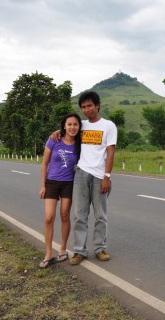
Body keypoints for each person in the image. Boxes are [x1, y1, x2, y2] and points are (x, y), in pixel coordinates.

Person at [53, 90, 117, 266]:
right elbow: (68, 128)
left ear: (97, 105)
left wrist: (107, 177)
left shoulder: (108, 126)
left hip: (99, 176)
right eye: (83, 107)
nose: (87, 109)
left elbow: (111, 153)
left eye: (89, 106)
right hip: (80, 174)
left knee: (100, 216)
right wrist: (57, 132)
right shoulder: (81, 125)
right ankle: (79, 251)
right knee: (79, 215)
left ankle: (100, 248)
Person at [38, 113, 82, 268]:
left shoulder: (79, 143)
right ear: (64, 125)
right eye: (69, 124)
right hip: (51, 183)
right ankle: (49, 253)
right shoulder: (54, 140)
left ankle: (63, 249)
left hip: (69, 183)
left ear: (79, 127)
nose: (72, 127)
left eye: (75, 124)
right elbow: (44, 163)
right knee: (49, 217)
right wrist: (43, 185)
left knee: (65, 215)